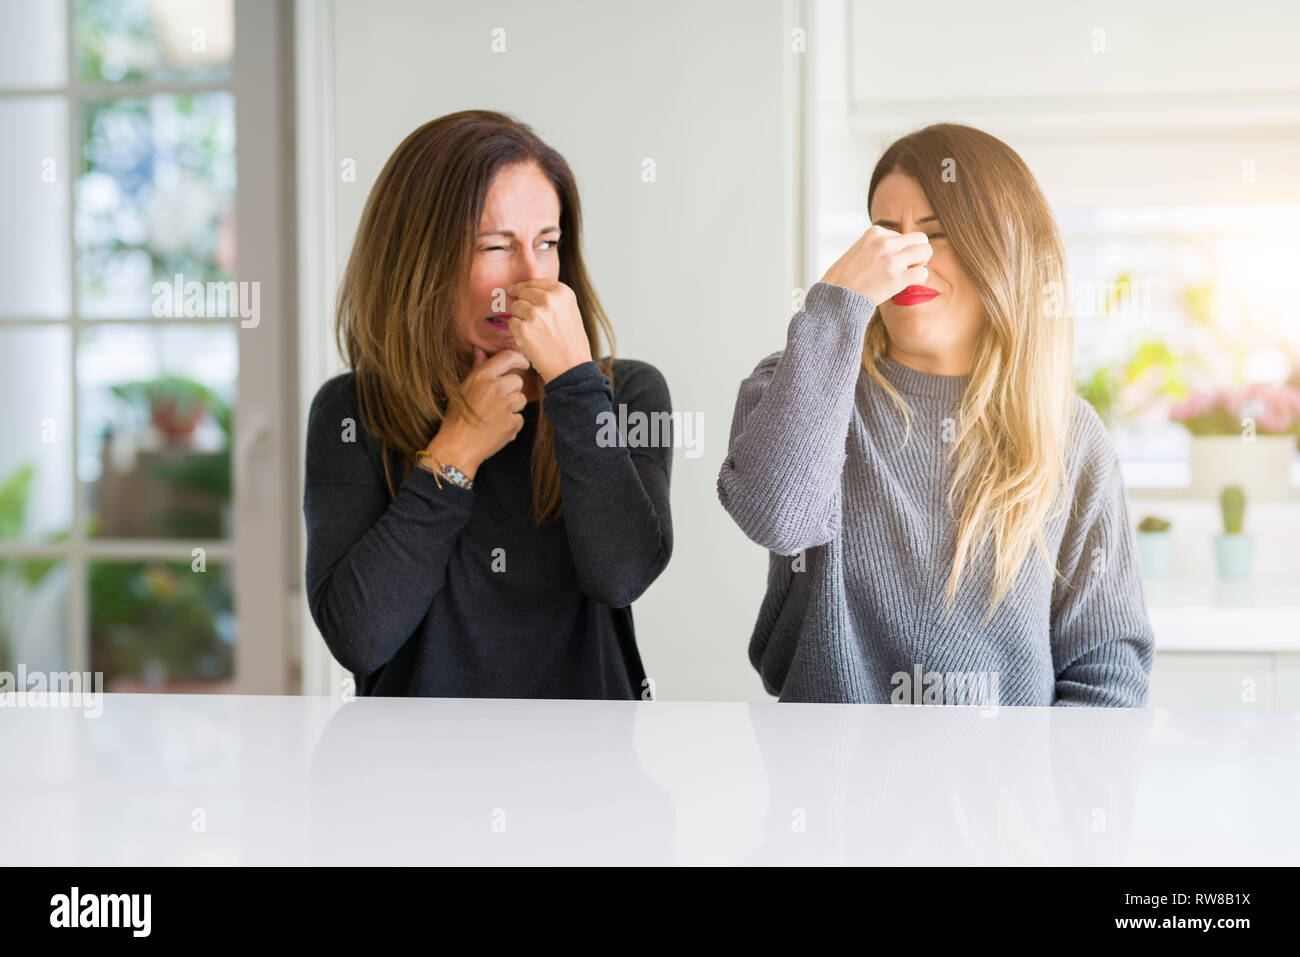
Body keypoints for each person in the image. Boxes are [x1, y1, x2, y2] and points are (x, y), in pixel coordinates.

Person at [717, 123, 1154, 706]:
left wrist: (1054, 795)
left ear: (999, 248)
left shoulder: (1069, 432)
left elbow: (1107, 666)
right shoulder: (797, 381)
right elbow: (778, 519)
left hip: (1007, 793)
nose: (905, 258)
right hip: (823, 781)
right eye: (884, 234)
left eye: (935, 233)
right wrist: (835, 307)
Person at [305, 110, 672, 698]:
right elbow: (358, 637)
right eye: (496, 246)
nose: (532, 277)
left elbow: (621, 576)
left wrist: (576, 387)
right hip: (411, 775)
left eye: (546, 243)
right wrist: (455, 455)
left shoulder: (626, 395)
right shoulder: (351, 412)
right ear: (419, 259)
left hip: (591, 772)